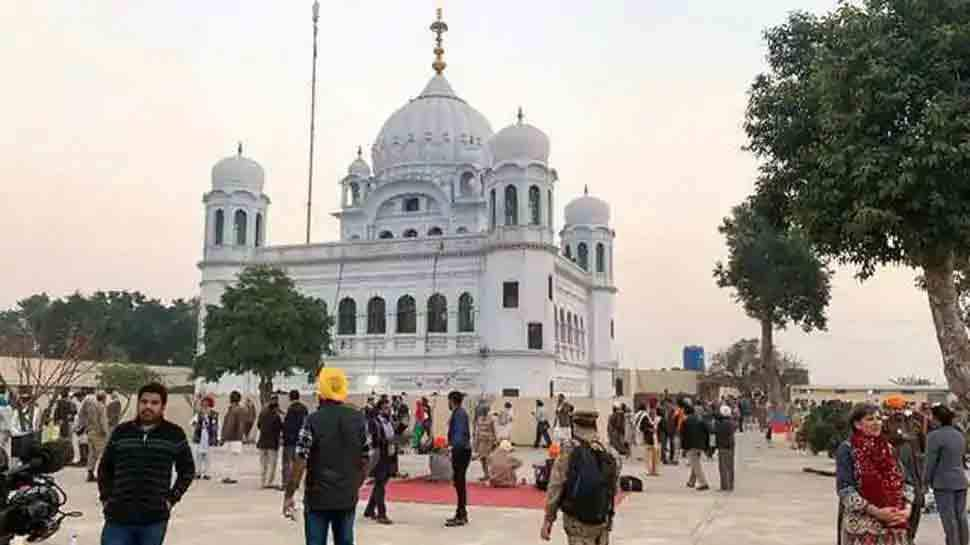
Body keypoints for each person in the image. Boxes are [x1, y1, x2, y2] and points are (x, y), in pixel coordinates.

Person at [98, 382, 195, 545]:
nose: (148, 406)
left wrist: (171, 499)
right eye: (144, 402)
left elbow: (187, 471)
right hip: (118, 518)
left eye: (154, 403)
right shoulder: (121, 432)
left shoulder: (174, 434)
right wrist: (106, 498)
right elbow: (105, 468)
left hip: (154, 519)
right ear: (138, 403)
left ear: (163, 406)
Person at [284, 368, 368, 545]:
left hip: (317, 497)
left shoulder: (313, 420)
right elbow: (366, 458)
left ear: (320, 393)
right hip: (346, 496)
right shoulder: (359, 419)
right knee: (345, 541)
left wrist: (289, 494)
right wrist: (355, 484)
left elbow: (300, 461)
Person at [836, 403, 912, 545]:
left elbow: (906, 482)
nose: (877, 423)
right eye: (870, 419)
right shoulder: (847, 449)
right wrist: (877, 512)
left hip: (894, 526)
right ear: (857, 424)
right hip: (861, 529)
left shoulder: (888, 448)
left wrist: (907, 509)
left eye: (879, 418)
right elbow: (845, 490)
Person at [541, 410, 619, 545]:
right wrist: (609, 516)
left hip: (577, 521)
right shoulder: (607, 450)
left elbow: (556, 486)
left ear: (574, 426)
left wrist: (549, 519)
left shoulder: (569, 450)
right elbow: (613, 487)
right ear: (594, 425)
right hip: (601, 519)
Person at [926, 403, 968, 545]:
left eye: (932, 416)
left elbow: (930, 462)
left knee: (949, 520)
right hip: (960, 481)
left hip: (943, 483)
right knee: (961, 517)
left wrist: (925, 482)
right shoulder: (959, 434)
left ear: (937, 419)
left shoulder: (933, 436)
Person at [363, 398, 395, 525]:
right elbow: (373, 440)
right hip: (379, 455)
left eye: (389, 408)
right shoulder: (374, 422)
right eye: (386, 408)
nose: (388, 410)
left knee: (381, 483)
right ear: (380, 409)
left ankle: (370, 509)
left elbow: (391, 435)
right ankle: (382, 514)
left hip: (389, 455)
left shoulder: (389, 421)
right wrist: (389, 441)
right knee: (380, 484)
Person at [446, 390, 471, 527]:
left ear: (452, 401)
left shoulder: (459, 414)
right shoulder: (458, 413)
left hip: (461, 451)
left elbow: (459, 435)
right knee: (458, 482)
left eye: (448, 401)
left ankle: (461, 514)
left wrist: (452, 448)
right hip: (461, 450)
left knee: (459, 483)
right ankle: (460, 513)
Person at [79, 390, 109, 483]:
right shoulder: (101, 407)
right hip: (99, 433)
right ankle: (104, 474)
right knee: (103, 454)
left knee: (92, 454)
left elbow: (81, 414)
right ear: (104, 398)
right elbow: (103, 421)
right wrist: (106, 432)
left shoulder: (90, 406)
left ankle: (90, 473)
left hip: (90, 432)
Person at [283, 390, 309, 487]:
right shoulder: (304, 408)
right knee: (298, 463)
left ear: (290, 397)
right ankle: (296, 482)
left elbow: (287, 425)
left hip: (290, 440)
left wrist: (284, 436)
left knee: (287, 462)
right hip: (301, 440)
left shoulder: (290, 409)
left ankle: (286, 483)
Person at [681, 402, 710, 491]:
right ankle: (691, 481)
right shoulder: (700, 419)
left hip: (691, 445)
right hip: (700, 445)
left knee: (696, 465)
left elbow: (684, 435)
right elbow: (707, 432)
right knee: (695, 463)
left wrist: (684, 448)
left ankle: (703, 483)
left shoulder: (685, 421)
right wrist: (706, 446)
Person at [257, 395, 284, 489]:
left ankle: (262, 481)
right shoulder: (276, 417)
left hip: (262, 442)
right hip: (272, 443)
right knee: (272, 464)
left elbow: (259, 426)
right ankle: (269, 482)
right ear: (275, 408)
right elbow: (281, 428)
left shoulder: (262, 414)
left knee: (263, 463)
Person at [221, 391, 247, 485]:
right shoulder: (241, 410)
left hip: (231, 438)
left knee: (228, 459)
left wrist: (223, 437)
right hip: (237, 439)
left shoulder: (232, 410)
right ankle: (233, 477)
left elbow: (229, 425)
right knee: (234, 459)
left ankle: (228, 477)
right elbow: (242, 425)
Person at [190, 396, 218, 480]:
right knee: (198, 455)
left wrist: (218, 437)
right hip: (200, 436)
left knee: (208, 456)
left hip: (209, 436)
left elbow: (217, 426)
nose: (205, 406)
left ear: (210, 405)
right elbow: (191, 422)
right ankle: (198, 472)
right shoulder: (198, 414)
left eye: (207, 405)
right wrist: (196, 425)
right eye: (204, 405)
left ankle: (207, 473)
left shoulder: (215, 414)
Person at [473, 407, 497, 483]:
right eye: (482, 411)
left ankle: (491, 475)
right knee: (482, 459)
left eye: (484, 411)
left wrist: (495, 441)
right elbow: (477, 431)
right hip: (480, 441)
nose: (482, 412)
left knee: (486, 458)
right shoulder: (479, 419)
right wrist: (475, 444)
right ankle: (486, 475)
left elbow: (494, 430)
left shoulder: (491, 419)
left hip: (488, 441)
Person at [715, 405, 735, 491]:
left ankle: (724, 486)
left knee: (722, 467)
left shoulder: (719, 424)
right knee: (730, 466)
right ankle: (730, 485)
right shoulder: (731, 423)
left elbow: (715, 432)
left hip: (722, 446)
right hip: (730, 446)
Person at [639, 404, 660, 477]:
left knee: (655, 456)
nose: (653, 413)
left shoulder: (658, 419)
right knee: (648, 456)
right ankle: (648, 470)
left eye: (654, 412)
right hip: (648, 439)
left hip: (656, 440)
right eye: (651, 412)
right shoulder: (645, 418)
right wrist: (649, 430)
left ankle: (654, 470)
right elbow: (642, 428)